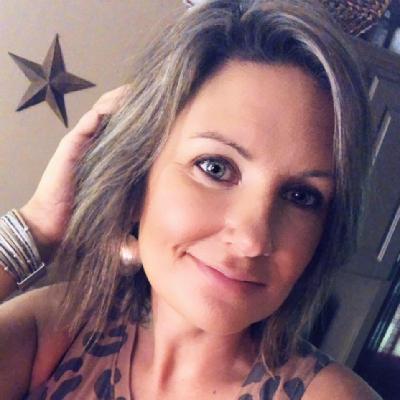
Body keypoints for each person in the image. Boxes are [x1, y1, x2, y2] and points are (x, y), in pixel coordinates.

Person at [0, 0, 383, 398]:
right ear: (136, 175)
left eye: (301, 196)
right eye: (215, 167)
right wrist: (36, 227)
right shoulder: (62, 328)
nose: (252, 240)